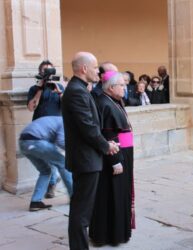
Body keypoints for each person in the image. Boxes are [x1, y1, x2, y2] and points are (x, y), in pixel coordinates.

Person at [62, 52, 119, 250]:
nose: (98, 71)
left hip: (86, 158)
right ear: (84, 69)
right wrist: (106, 145)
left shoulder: (79, 88)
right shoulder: (76, 91)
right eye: (95, 67)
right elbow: (87, 126)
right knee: (81, 211)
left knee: (82, 208)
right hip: (85, 159)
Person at [89, 71, 135, 246]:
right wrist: (115, 160)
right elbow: (108, 134)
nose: (125, 88)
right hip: (115, 156)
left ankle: (118, 232)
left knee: (120, 194)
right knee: (112, 196)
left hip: (123, 154)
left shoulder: (115, 101)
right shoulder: (105, 104)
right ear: (111, 87)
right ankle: (109, 235)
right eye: (122, 85)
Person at [19, 116, 73, 211]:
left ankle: (35, 202)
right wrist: (74, 152)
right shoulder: (65, 122)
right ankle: (75, 197)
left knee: (45, 171)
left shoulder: (55, 119)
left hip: (23, 143)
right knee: (63, 164)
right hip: (36, 141)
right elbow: (61, 141)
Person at [27, 60, 64, 199]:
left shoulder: (59, 86)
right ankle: (53, 180)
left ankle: (52, 183)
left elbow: (68, 106)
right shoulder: (34, 88)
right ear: (40, 72)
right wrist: (40, 89)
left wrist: (60, 93)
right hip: (39, 129)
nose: (48, 74)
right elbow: (31, 107)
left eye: (50, 71)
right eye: (45, 71)